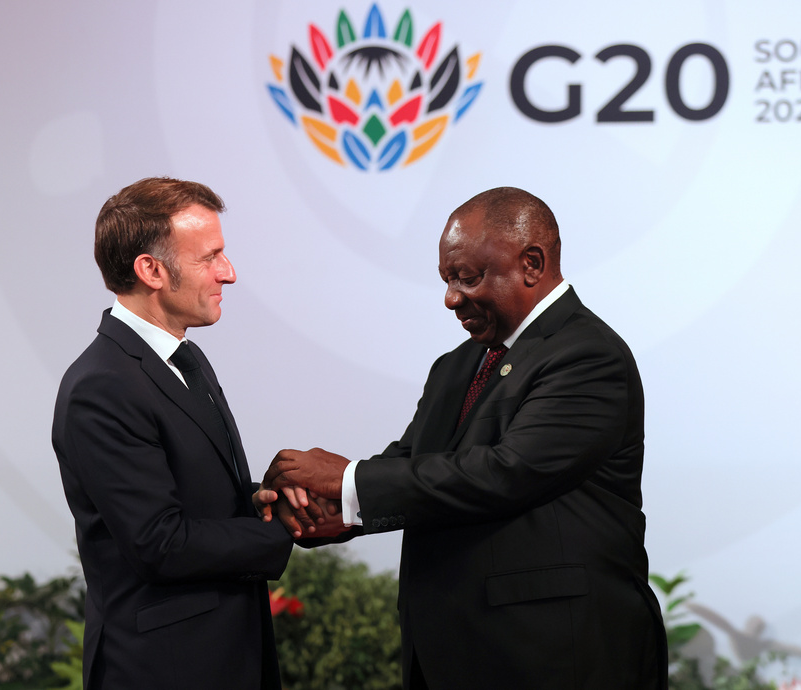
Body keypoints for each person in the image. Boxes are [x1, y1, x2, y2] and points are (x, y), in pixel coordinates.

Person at [261, 187, 668, 689]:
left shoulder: (588, 355)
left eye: (468, 278)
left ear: (532, 264)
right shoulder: (457, 365)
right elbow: (415, 462)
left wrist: (347, 481)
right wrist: (332, 510)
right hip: (450, 655)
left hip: (553, 657)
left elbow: (505, 473)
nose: (452, 298)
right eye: (447, 280)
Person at [52, 177, 344, 690]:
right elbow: (159, 542)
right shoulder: (101, 385)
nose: (228, 274)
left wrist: (267, 499)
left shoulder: (185, 358)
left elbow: (195, 497)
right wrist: (282, 529)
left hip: (223, 654)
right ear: (152, 270)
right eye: (211, 257)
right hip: (162, 669)